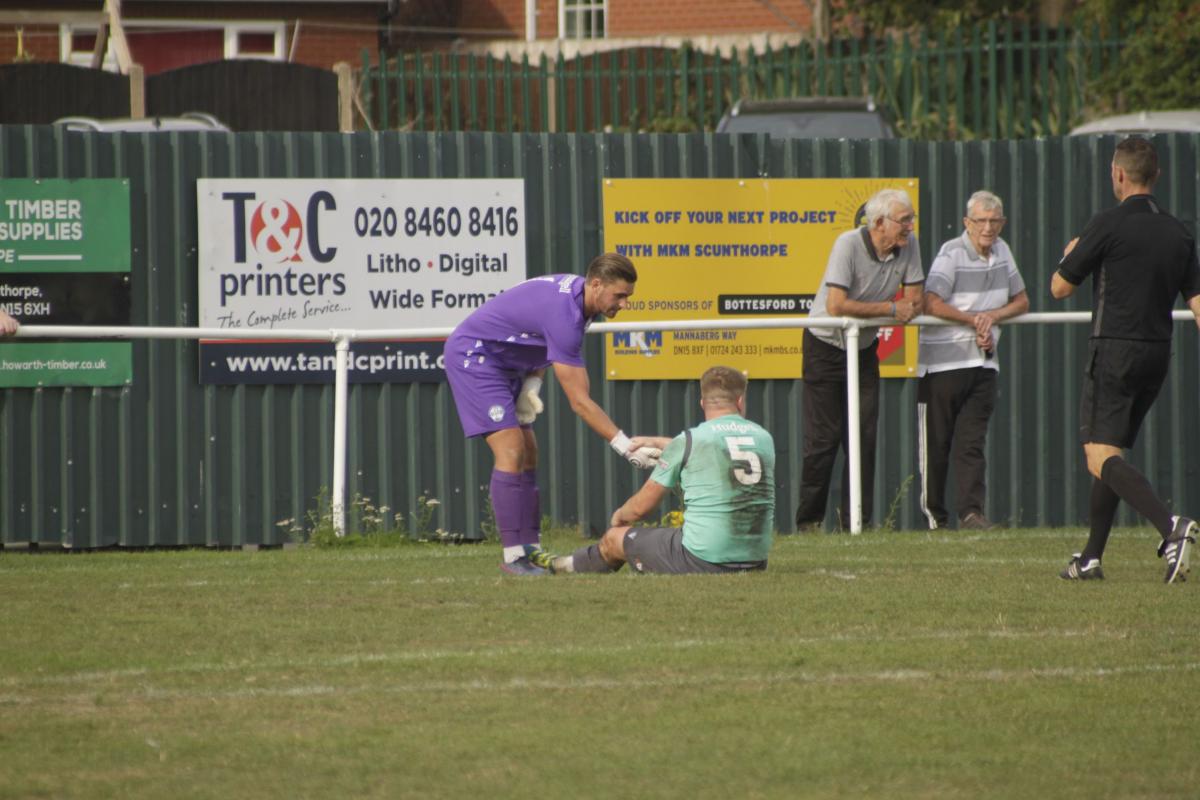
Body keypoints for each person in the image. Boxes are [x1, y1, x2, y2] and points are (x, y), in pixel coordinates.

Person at [443, 252, 661, 576]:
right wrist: (624, 446)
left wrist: (532, 383)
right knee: (511, 448)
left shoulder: (581, 302)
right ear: (596, 284)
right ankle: (514, 556)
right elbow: (580, 402)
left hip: (510, 362)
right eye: (620, 295)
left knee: (529, 451)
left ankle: (531, 550)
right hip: (476, 357)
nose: (624, 303)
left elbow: (537, 338)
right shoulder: (566, 314)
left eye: (628, 296)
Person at [1052, 136, 1200, 583]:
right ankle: (1090, 559)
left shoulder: (1108, 223)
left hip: (1115, 350)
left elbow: (1060, 287)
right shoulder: (1179, 231)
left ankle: (1172, 528)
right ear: (1156, 175)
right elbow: (1197, 303)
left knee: (1098, 456)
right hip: (1156, 354)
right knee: (1111, 452)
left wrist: (1072, 252)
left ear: (1118, 174)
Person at [550, 365, 775, 574]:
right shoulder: (763, 438)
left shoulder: (690, 440)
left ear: (702, 402)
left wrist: (619, 516)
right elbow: (721, 448)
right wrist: (661, 443)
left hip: (703, 558)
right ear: (740, 401)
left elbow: (640, 508)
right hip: (755, 560)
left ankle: (567, 566)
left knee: (614, 538)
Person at [796, 188, 924, 531]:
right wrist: (890, 309)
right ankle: (808, 523)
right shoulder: (847, 244)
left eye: (911, 219)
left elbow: (915, 301)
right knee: (822, 440)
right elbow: (836, 305)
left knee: (863, 436)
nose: (910, 226)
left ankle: (856, 523)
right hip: (824, 346)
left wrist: (897, 308)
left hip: (864, 347)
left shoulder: (909, 244)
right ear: (879, 223)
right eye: (904, 220)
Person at [917, 190, 1029, 530]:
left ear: (1003, 223)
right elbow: (931, 302)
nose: (988, 228)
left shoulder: (1003, 250)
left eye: (995, 221)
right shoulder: (951, 252)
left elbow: (1022, 301)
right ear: (967, 222)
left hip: (983, 364)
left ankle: (971, 514)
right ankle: (936, 518)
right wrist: (974, 321)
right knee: (936, 445)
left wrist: (990, 317)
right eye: (981, 221)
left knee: (972, 444)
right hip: (942, 365)